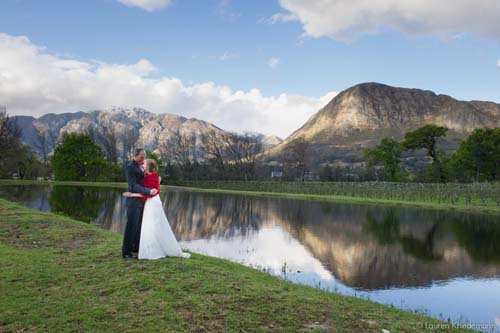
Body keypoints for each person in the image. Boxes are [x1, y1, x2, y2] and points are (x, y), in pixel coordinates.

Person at [123, 159, 191, 260]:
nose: (142, 165)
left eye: (144, 164)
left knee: (151, 225)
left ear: (148, 167)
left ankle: (153, 247)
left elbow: (150, 193)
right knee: (147, 225)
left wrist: (132, 194)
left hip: (151, 203)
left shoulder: (153, 176)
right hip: (149, 203)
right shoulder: (148, 175)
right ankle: (142, 246)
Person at [122, 148, 158, 259]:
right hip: (133, 202)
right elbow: (133, 186)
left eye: (144, 157)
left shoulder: (142, 167)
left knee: (138, 227)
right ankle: (126, 252)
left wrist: (157, 181)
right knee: (131, 227)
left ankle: (135, 247)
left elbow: (146, 180)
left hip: (142, 201)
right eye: (142, 157)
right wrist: (148, 191)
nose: (143, 159)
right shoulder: (130, 168)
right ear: (135, 156)